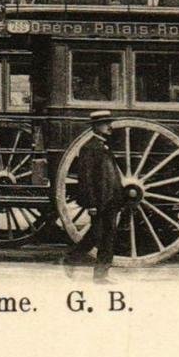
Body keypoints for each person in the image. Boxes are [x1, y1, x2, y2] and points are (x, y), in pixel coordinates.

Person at [62, 111, 126, 282]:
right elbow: (87, 179)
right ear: (97, 127)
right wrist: (91, 203)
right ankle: (71, 259)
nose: (110, 127)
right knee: (97, 235)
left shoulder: (104, 146)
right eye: (106, 124)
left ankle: (101, 275)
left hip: (110, 200)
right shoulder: (90, 148)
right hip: (99, 201)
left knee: (108, 236)